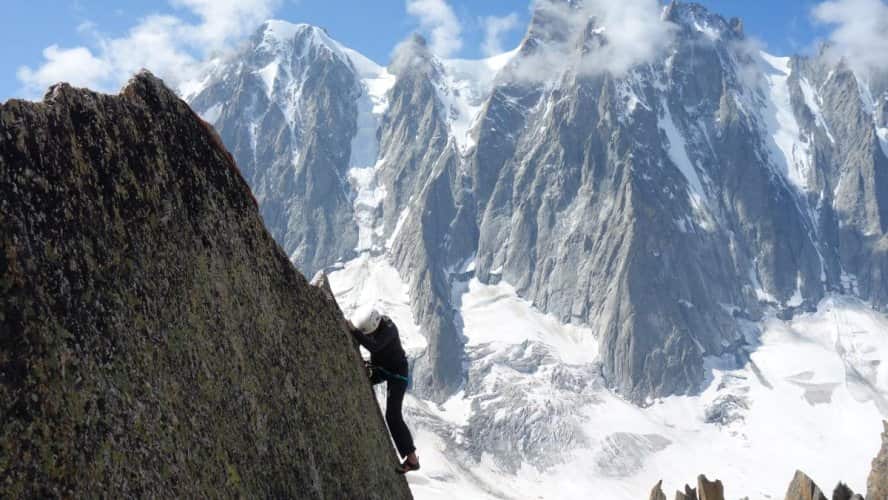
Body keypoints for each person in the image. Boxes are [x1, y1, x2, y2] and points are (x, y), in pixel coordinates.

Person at [348, 307, 420, 474]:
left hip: (397, 375)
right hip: (382, 368)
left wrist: (354, 331)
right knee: (358, 379)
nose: (370, 335)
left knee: (393, 415)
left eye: (370, 333)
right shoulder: (374, 323)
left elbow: (375, 347)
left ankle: (412, 459)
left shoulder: (389, 329)